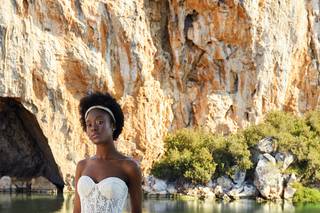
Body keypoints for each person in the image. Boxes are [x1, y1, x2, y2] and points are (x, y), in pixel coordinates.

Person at [73, 92, 142, 213]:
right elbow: (77, 210)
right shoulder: (82, 166)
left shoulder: (129, 167)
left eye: (100, 122)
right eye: (89, 124)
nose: (93, 128)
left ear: (113, 125)